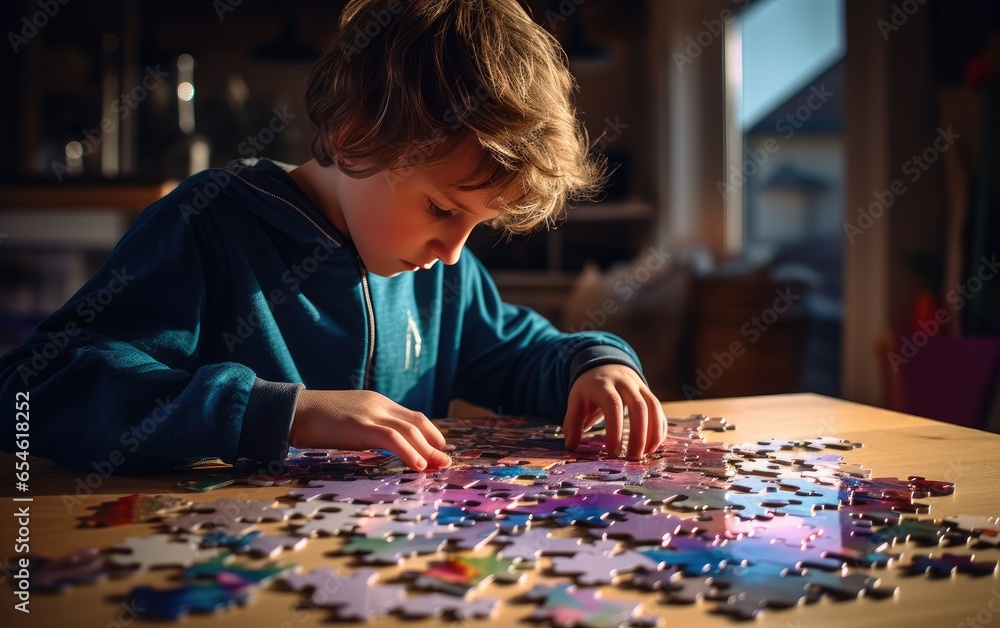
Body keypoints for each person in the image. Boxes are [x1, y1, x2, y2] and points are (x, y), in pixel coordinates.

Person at [0, 0, 666, 474]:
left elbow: (521, 354)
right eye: (440, 207)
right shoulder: (207, 224)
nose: (454, 251)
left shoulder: (444, 276)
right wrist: (284, 414)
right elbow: (35, 391)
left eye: (477, 224)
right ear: (353, 134)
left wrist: (594, 364)